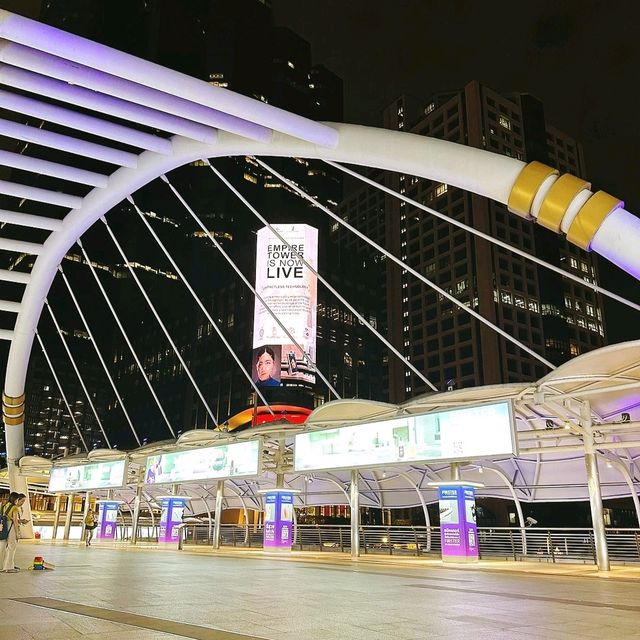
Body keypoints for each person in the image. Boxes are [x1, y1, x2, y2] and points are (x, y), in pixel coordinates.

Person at [1, 492, 26, 573]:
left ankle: (2, 566)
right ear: (15, 499)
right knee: (12, 547)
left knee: (2, 547)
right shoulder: (14, 508)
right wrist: (17, 533)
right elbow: (15, 521)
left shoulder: (4, 506)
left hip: (3, 527)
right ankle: (8, 567)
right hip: (11, 527)